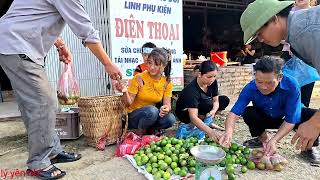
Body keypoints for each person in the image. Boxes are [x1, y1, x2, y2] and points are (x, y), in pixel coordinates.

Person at [0, 0, 122, 179]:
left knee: (34, 103)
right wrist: (108, 64)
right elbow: (86, 31)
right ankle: (38, 162)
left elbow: (32, 16)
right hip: (17, 44)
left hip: (12, 43)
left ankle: (53, 151)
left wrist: (60, 44)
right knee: (44, 102)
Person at [240, 0, 320, 153]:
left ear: (275, 18)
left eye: (259, 33)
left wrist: (315, 122)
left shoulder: (305, 32)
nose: (261, 40)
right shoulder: (296, 31)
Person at [219, 56, 320, 164]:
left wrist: (275, 140)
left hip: (286, 119)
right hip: (266, 118)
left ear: (280, 77)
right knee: (249, 112)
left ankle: (309, 147)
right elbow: (234, 113)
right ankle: (263, 139)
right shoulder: (251, 87)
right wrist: (228, 133)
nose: (264, 87)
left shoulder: (292, 85)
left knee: (313, 116)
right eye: (259, 82)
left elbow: (291, 120)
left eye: (269, 82)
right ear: (255, 76)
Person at [115, 48, 176, 136]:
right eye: (150, 63)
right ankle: (139, 133)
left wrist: (165, 108)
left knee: (170, 119)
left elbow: (167, 104)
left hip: (151, 117)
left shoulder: (167, 82)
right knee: (152, 111)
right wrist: (124, 91)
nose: (151, 67)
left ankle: (150, 130)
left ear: (164, 65)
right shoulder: (139, 77)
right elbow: (128, 103)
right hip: (133, 117)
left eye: (156, 64)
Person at [175, 60, 230, 141]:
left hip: (200, 107)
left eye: (214, 76)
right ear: (200, 74)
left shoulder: (213, 82)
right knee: (205, 104)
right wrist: (210, 132)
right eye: (209, 77)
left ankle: (206, 121)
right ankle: (200, 123)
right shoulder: (191, 90)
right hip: (185, 114)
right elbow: (193, 117)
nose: (212, 79)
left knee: (224, 100)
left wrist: (213, 111)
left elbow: (216, 101)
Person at [281, 0, 320, 107]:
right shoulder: (287, 13)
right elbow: (281, 34)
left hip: (308, 55)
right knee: (287, 85)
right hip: (289, 55)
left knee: (306, 86)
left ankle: (303, 111)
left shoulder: (315, 14)